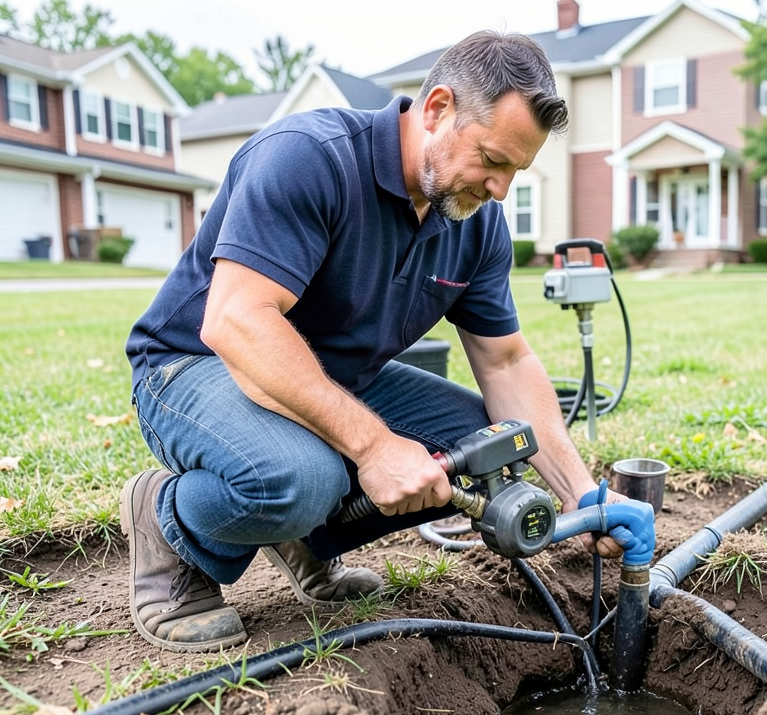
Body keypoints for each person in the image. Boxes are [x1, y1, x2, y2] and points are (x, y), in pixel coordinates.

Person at [122, 30, 626, 653]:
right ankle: (170, 525)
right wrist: (375, 446)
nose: (501, 190)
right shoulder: (310, 157)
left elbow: (505, 362)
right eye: (493, 161)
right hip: (195, 365)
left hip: (329, 377)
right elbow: (238, 322)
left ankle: (304, 539)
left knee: (491, 447)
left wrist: (582, 496)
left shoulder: (474, 222)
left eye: (516, 172)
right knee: (297, 479)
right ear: (438, 108)